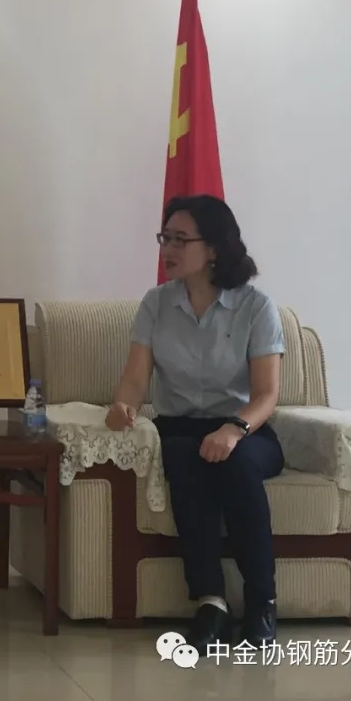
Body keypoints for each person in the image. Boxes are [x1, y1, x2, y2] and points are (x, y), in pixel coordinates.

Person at [105, 195, 285, 653]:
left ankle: (262, 601)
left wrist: (234, 430)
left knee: (236, 463)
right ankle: (211, 603)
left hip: (245, 429)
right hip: (179, 428)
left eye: (180, 240)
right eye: (164, 238)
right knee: (185, 458)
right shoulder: (156, 304)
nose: (167, 248)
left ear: (214, 248)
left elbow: (266, 395)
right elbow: (135, 380)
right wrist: (122, 407)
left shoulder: (256, 307)